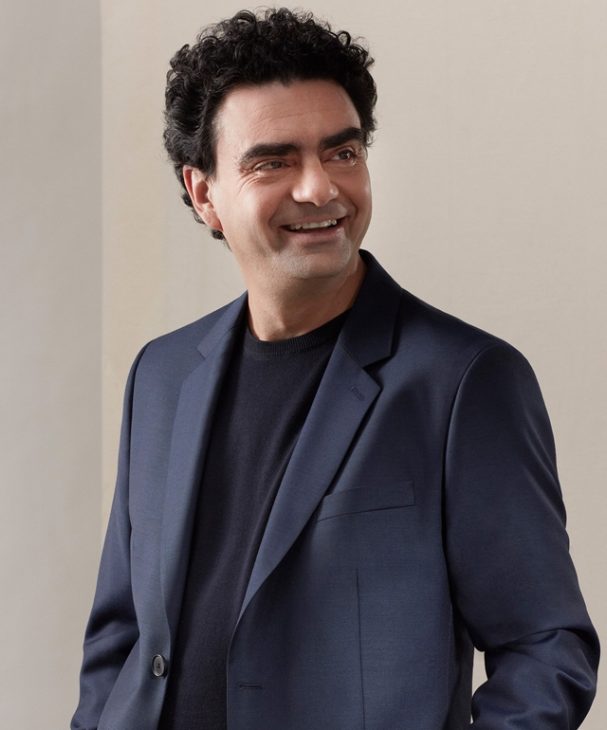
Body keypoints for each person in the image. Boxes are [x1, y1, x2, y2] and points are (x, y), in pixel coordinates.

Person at [72, 8, 599, 729]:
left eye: (342, 152)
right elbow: (122, 635)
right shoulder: (160, 375)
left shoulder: (462, 381)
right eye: (273, 161)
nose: (320, 188)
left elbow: (545, 646)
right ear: (203, 193)